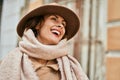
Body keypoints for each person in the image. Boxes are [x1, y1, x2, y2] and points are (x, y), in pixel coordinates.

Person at [0, 3, 89, 80]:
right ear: (38, 24)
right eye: (54, 19)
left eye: (63, 24)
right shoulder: (12, 59)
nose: (61, 26)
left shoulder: (71, 65)